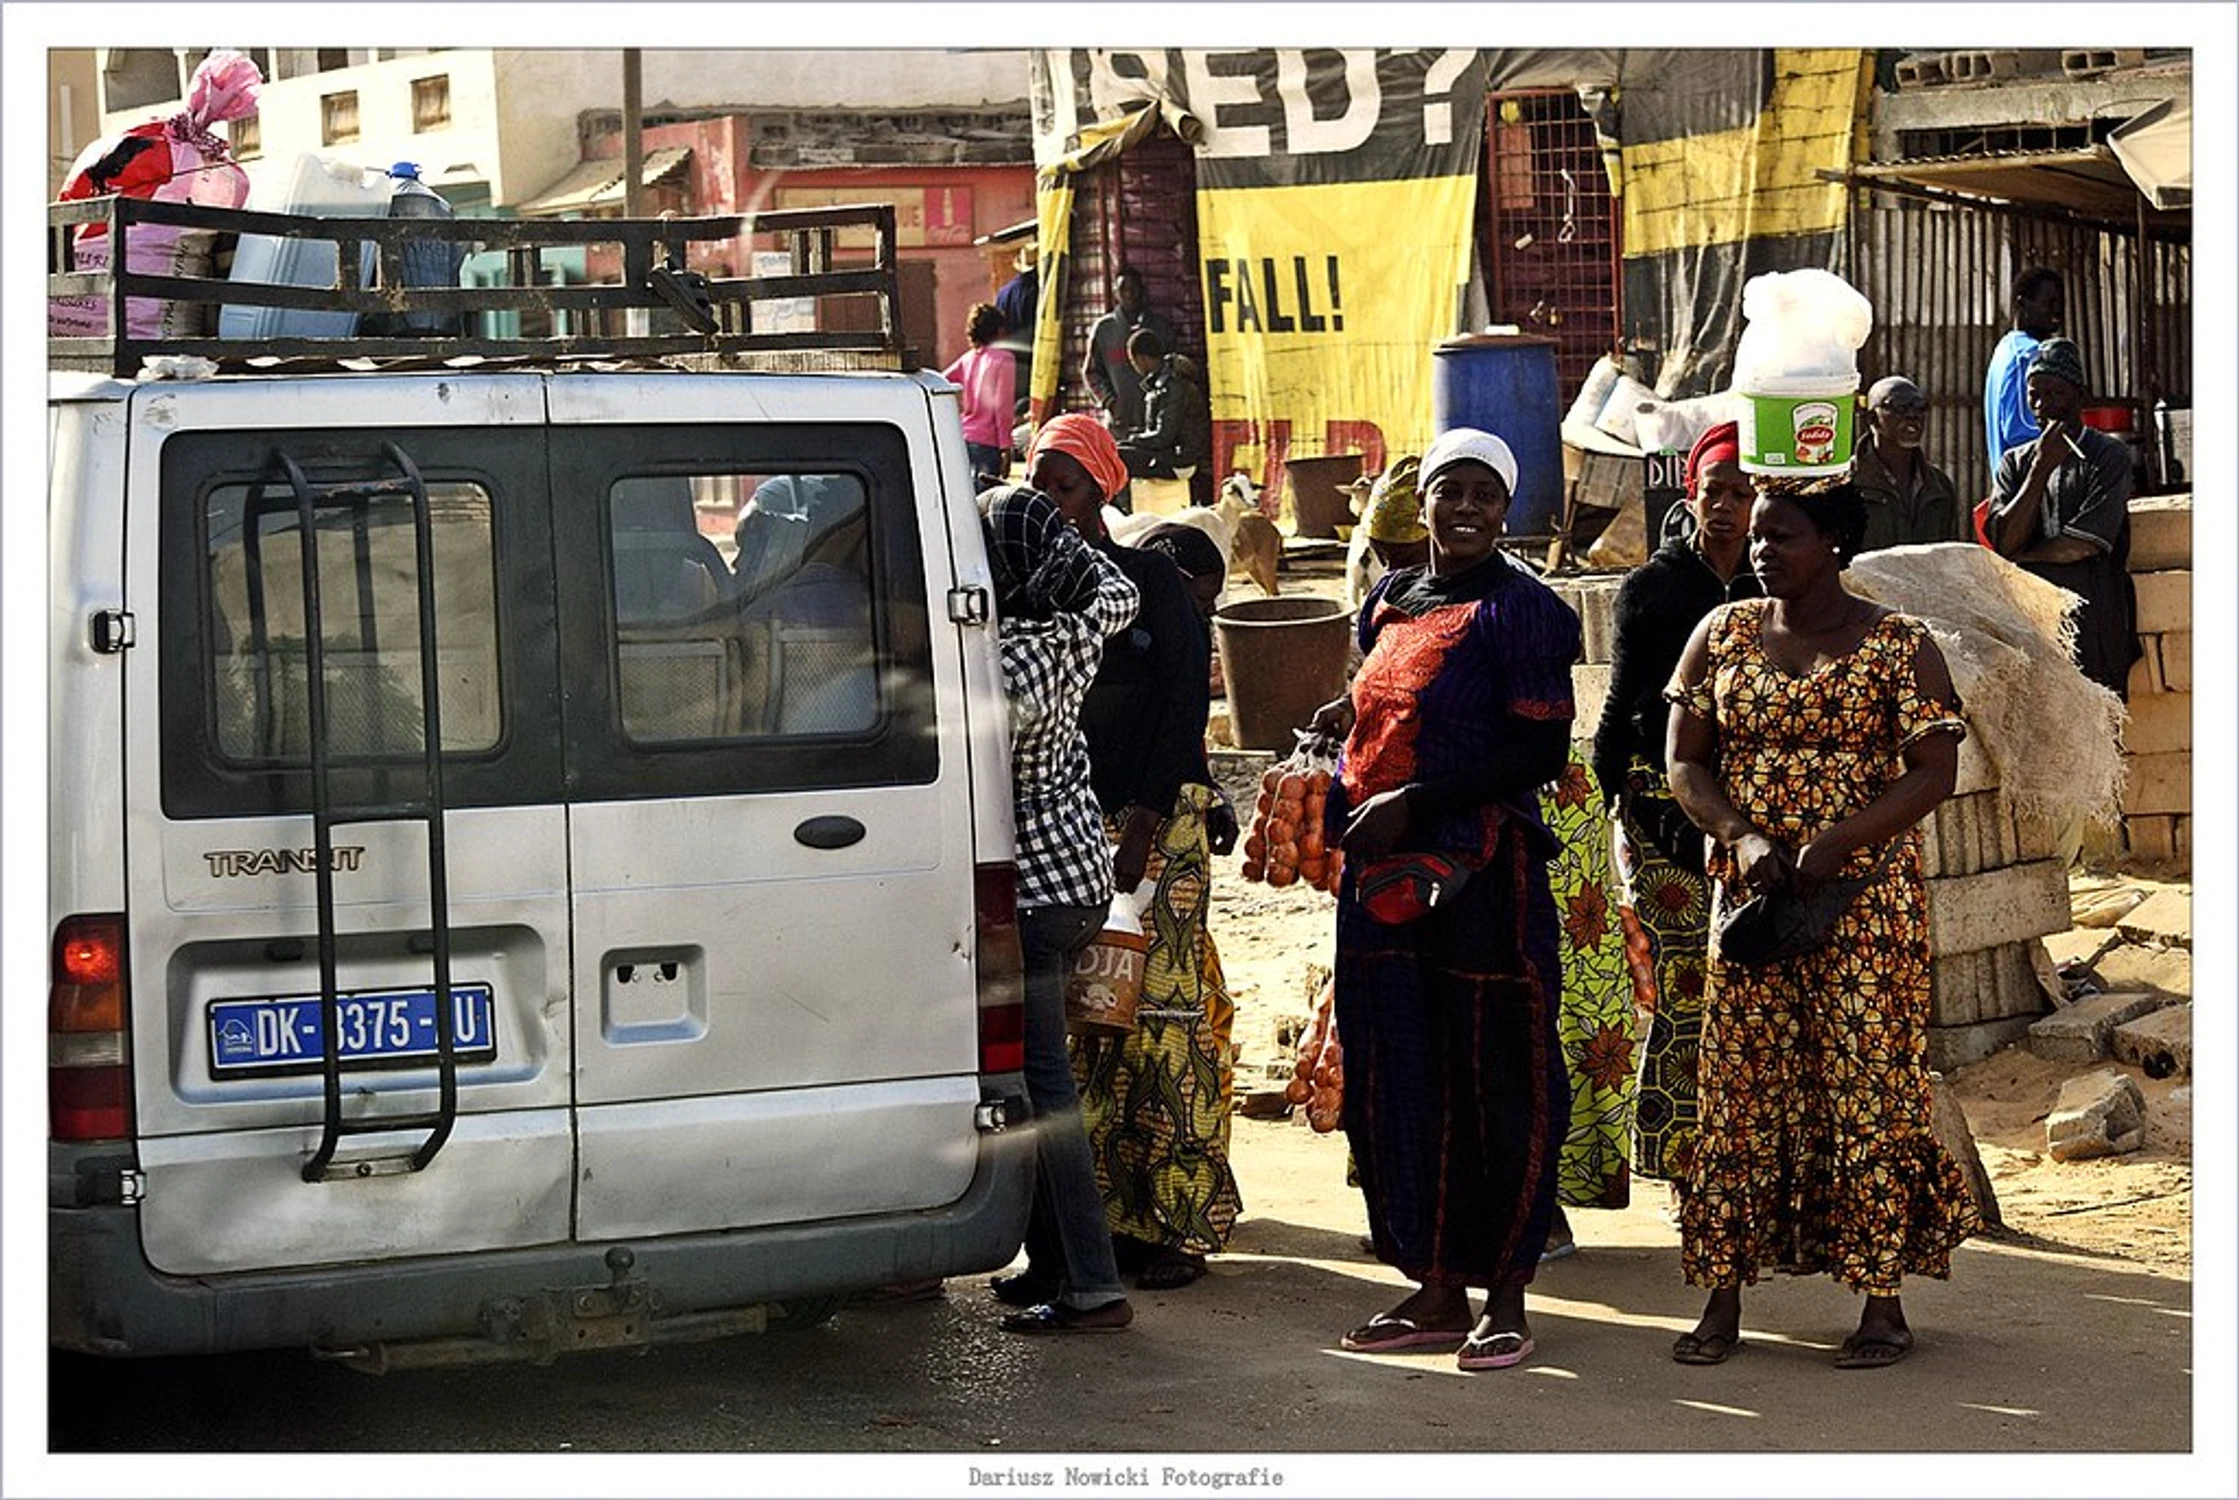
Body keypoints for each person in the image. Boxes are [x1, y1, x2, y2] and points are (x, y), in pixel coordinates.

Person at [1663, 474, 1982, 1370]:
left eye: (1785, 537)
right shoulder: (1718, 635)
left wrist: (1838, 845)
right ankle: (1721, 1299)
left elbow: (1931, 772)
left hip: (1864, 904)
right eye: (1759, 537)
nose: (1763, 551)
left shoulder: (1897, 645)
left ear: (1833, 545)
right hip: (1757, 899)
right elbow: (1683, 762)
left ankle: (1881, 1304)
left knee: (1866, 1087)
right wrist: (1740, 833)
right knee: (1739, 1089)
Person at [1307, 428, 1579, 1372]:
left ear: (1505, 509)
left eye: (1482, 495)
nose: (1463, 510)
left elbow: (1539, 751)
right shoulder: (1388, 598)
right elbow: (1391, 699)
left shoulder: (1525, 612)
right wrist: (1349, 722)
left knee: (1497, 1069)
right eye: (1445, 492)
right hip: (1379, 881)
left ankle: (1504, 1295)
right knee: (1396, 1070)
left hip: (1477, 877)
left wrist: (1417, 801)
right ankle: (1431, 1285)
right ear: (1417, 503)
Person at [1022, 414, 1244, 1292]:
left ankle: (1180, 1225)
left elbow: (1183, 708)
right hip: (1075, 832)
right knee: (1087, 1034)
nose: (1048, 498)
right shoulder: (1037, 589)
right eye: (1038, 481)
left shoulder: (1149, 579)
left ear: (1104, 490)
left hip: (1157, 832)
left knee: (1163, 1028)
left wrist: (1145, 827)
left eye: (1064, 483)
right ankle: (1104, 1225)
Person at [978, 483, 1140, 1335]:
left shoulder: (993, 664)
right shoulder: (1072, 631)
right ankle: (1049, 1262)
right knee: (1043, 1086)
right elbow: (1119, 590)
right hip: (1082, 880)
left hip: (1031, 901)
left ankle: (1090, 1283)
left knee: (1045, 1098)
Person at [1590, 421, 1762, 1192]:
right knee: (1685, 982)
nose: (1724, 507)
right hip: (1664, 809)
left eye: (1740, 492)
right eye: (1712, 491)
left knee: (1753, 980)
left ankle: (1744, 1147)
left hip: (1757, 810)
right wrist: (1628, 806)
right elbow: (1621, 711)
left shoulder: (1770, 591)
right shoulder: (1654, 590)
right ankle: (1674, 1157)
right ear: (1689, 496)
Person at [1986, 336, 2141, 700]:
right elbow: (2003, 540)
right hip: (2035, 629)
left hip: (2097, 626)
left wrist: (2021, 558)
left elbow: (2081, 545)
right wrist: (2040, 470)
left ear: (2078, 396)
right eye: (2034, 395)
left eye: (2055, 394)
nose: (2042, 406)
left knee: (2098, 739)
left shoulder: (2107, 456)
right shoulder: (2017, 463)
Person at [1852, 375, 1967, 551]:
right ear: (1872, 419)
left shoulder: (1939, 486)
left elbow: (1949, 557)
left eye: (1920, 407)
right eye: (1900, 406)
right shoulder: (1847, 483)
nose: (1913, 415)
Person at [1081, 266, 1176, 439]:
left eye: (1134, 289)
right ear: (1116, 293)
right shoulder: (1104, 329)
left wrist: (1164, 404)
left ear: (1142, 291)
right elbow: (1091, 373)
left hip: (1156, 423)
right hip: (1120, 424)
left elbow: (1173, 367)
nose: (1129, 294)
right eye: (1123, 289)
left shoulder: (1160, 327)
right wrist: (1109, 402)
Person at [1983, 267, 2063, 469]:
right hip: (2028, 489)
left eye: (2060, 303)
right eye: (2049, 303)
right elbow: (2023, 434)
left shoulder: (2006, 348)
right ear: (2022, 304)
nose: (2057, 311)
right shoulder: (2027, 355)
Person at [1115, 329, 1211, 482]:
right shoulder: (1162, 382)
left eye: (1133, 362)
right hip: (1171, 454)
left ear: (1142, 358)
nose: (1135, 367)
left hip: (1181, 460)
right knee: (1117, 450)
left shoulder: (1173, 385)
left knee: (1115, 458)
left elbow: (1164, 437)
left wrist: (1133, 439)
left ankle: (1120, 505)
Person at [943, 302, 1017, 492]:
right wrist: (1005, 447)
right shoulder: (1004, 359)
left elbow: (941, 380)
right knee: (983, 503)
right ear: (999, 331)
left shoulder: (968, 359)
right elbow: (1002, 407)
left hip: (964, 437)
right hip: (988, 443)